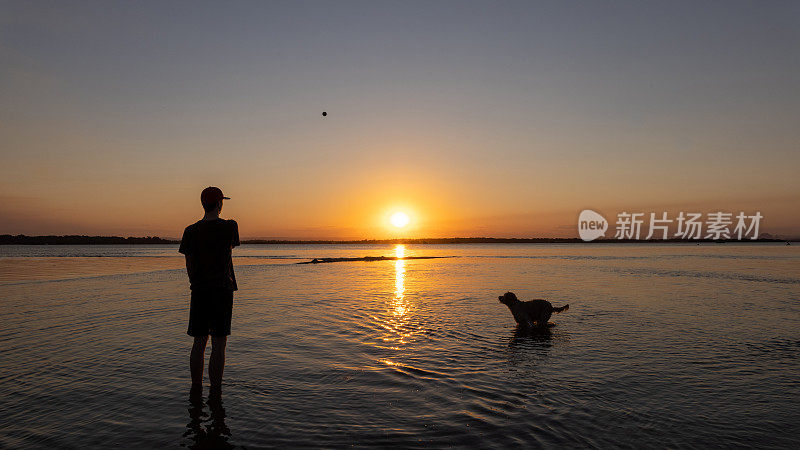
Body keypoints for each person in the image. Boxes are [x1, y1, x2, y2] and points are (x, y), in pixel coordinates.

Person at [179, 186, 240, 398]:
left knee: (199, 341)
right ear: (220, 204)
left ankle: (196, 388)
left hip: (199, 291)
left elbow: (189, 264)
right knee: (219, 344)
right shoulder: (230, 227)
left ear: (203, 204)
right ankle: (216, 391)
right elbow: (230, 248)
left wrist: (196, 284)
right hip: (222, 291)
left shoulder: (190, 231)